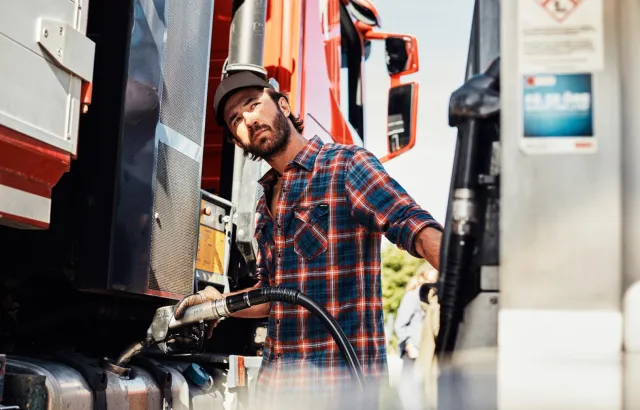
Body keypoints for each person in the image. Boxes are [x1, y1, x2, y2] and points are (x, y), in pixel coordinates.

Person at [173, 71, 443, 407]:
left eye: (254, 104)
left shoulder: (345, 165)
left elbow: (413, 226)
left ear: (282, 104)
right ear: (237, 141)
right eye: (236, 120)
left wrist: (473, 287)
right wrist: (216, 304)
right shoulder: (264, 203)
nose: (249, 120)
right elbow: (272, 294)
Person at [394, 263, 438, 410]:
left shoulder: (434, 298)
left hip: (426, 354)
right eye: (432, 270)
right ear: (424, 275)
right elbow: (400, 324)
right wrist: (409, 345)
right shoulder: (412, 297)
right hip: (413, 354)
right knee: (410, 395)